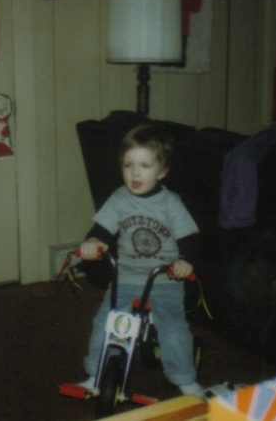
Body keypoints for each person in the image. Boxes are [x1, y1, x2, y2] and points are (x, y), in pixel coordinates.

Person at [78, 124, 204, 398]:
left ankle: (185, 379)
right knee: (106, 322)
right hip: (126, 277)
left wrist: (185, 261)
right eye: (129, 165)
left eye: (145, 166)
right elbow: (101, 229)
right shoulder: (119, 198)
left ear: (162, 172)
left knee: (172, 328)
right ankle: (95, 373)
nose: (135, 173)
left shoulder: (170, 203)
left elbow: (189, 238)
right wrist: (93, 241)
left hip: (164, 279)